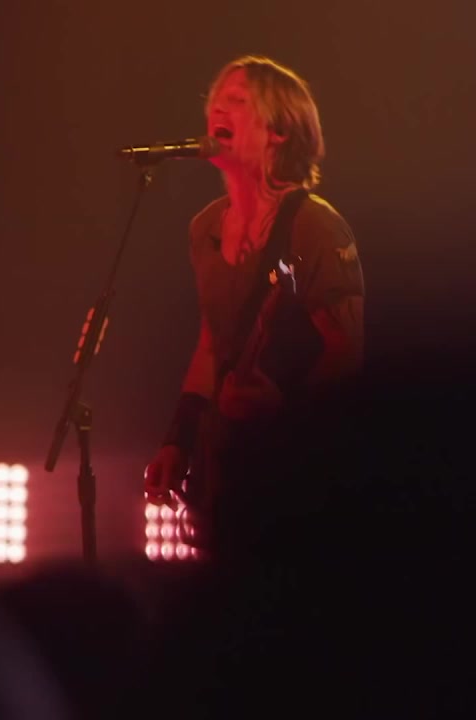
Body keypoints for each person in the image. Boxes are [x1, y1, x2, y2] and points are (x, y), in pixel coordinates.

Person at [143, 56, 365, 543]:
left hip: (292, 474)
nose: (217, 110)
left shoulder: (314, 225)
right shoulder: (205, 227)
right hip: (221, 468)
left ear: (279, 130)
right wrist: (178, 441)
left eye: (237, 101)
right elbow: (210, 345)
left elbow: (347, 353)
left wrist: (283, 409)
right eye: (215, 101)